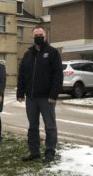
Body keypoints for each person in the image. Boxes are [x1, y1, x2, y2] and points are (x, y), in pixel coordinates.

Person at [16, 25, 63, 163]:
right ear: (32, 37)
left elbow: (58, 76)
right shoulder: (27, 54)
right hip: (31, 98)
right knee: (32, 126)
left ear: (45, 36)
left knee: (50, 126)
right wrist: (20, 92)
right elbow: (22, 75)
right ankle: (34, 152)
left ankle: (50, 153)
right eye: (36, 35)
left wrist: (53, 95)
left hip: (46, 98)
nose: (38, 37)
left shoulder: (52, 52)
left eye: (40, 34)